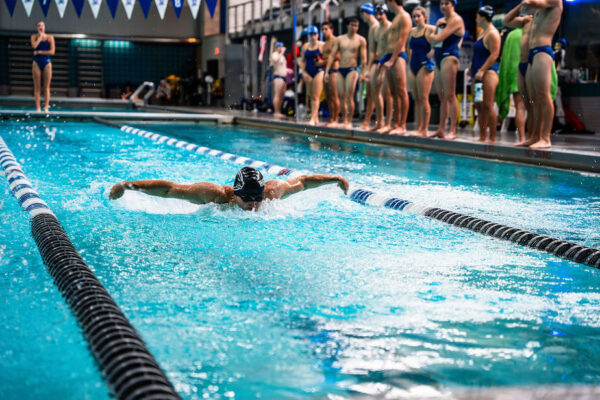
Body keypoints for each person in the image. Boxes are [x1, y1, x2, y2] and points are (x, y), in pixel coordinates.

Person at [109, 167, 349, 212]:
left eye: (258, 199)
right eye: (249, 200)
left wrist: (334, 178)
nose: (255, 206)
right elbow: (170, 189)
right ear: (236, 194)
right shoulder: (214, 196)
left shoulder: (272, 193)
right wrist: (129, 186)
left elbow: (304, 182)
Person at [521, 0, 562, 150]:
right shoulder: (540, 8)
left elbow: (531, 3)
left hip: (543, 51)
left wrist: (526, 2)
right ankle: (535, 136)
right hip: (532, 53)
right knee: (533, 98)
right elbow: (525, 8)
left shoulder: (554, 2)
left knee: (544, 96)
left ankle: (546, 138)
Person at [427, 0, 465, 140]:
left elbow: (436, 39)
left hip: (449, 56)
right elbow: (435, 42)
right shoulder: (441, 20)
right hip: (438, 56)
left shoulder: (456, 20)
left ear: (453, 5)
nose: (443, 6)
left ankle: (452, 130)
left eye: (446, 3)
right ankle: (441, 129)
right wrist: (434, 33)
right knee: (441, 96)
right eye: (442, 3)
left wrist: (433, 32)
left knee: (450, 95)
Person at [325, 18, 367, 130]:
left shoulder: (361, 40)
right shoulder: (339, 39)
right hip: (340, 69)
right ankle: (344, 120)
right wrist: (326, 71)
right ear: (347, 26)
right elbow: (332, 55)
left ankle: (349, 121)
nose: (354, 28)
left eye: (356, 26)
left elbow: (363, 59)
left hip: (352, 70)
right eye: (352, 25)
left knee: (349, 96)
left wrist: (363, 73)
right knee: (341, 96)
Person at [503, 3, 535, 146]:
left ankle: (534, 137)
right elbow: (505, 20)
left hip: (533, 62)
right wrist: (521, 6)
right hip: (521, 65)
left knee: (531, 105)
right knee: (527, 105)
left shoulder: (543, 18)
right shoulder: (524, 22)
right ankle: (526, 138)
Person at [470, 6, 500, 143]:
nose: (475, 18)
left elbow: (494, 55)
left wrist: (482, 70)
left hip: (489, 72)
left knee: (488, 105)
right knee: (479, 105)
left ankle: (492, 137)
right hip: (477, 74)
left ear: (482, 16)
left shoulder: (493, 33)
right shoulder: (482, 32)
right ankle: (482, 136)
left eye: (477, 15)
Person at [382, 0, 411, 135]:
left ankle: (403, 125)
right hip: (390, 57)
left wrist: (392, 59)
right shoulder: (395, 18)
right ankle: (396, 124)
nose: (386, 6)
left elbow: (402, 39)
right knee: (393, 93)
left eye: (387, 3)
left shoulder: (404, 16)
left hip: (398, 56)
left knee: (401, 91)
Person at [407, 6, 435, 137]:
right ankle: (418, 128)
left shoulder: (430, 29)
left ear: (424, 16)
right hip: (413, 65)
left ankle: (424, 129)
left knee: (424, 98)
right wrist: (410, 60)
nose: (416, 18)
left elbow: (438, 45)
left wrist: (429, 57)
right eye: (414, 16)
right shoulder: (411, 31)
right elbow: (408, 47)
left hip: (424, 66)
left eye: (418, 16)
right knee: (416, 98)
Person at [496, 27, 527, 143]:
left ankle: (522, 138)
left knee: (520, 107)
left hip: (515, 73)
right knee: (534, 108)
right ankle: (536, 137)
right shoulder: (534, 30)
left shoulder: (512, 35)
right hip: (531, 70)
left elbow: (506, 58)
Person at [372, 4, 394, 133]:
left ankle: (388, 123)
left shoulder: (390, 27)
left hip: (387, 62)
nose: (379, 16)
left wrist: (384, 66)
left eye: (381, 14)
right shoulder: (376, 29)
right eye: (378, 14)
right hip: (378, 62)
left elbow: (390, 48)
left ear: (386, 13)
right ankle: (379, 122)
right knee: (375, 92)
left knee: (388, 94)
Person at [358, 3, 380, 130]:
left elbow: (374, 51)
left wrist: (367, 69)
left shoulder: (375, 27)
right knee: (372, 94)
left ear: (365, 13)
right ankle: (368, 121)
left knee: (375, 94)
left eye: (362, 14)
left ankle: (375, 122)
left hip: (377, 63)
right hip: (375, 63)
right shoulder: (373, 27)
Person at [300, 26, 325, 125]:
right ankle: (316, 117)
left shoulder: (322, 45)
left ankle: (313, 118)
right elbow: (302, 61)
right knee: (311, 96)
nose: (313, 36)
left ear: (318, 35)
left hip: (319, 71)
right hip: (308, 73)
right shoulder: (305, 46)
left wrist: (321, 63)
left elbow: (327, 59)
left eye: (314, 34)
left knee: (316, 96)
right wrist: (304, 73)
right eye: (311, 34)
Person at [31, 21, 55, 114]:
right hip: (36, 63)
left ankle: (46, 108)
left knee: (46, 87)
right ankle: (38, 108)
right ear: (37, 28)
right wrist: (40, 37)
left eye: (42, 25)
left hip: (47, 62)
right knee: (37, 87)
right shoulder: (34, 37)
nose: (40, 27)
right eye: (39, 26)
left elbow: (52, 51)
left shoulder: (50, 37)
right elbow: (34, 46)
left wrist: (40, 52)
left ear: (44, 27)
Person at [320, 22, 341, 127]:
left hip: (334, 71)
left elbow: (337, 56)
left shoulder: (335, 40)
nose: (324, 31)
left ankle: (336, 119)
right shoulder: (325, 43)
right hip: (326, 72)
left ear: (331, 29)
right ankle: (331, 118)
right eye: (323, 29)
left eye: (326, 29)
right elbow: (325, 57)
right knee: (328, 97)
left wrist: (322, 63)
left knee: (334, 96)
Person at [270, 40, 292, 118]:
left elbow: (282, 67)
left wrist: (287, 70)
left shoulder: (282, 56)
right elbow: (276, 61)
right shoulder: (275, 54)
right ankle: (276, 112)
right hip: (278, 77)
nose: (282, 48)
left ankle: (279, 111)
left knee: (282, 96)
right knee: (277, 95)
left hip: (283, 78)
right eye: (281, 46)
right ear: (277, 47)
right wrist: (282, 52)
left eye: (282, 46)